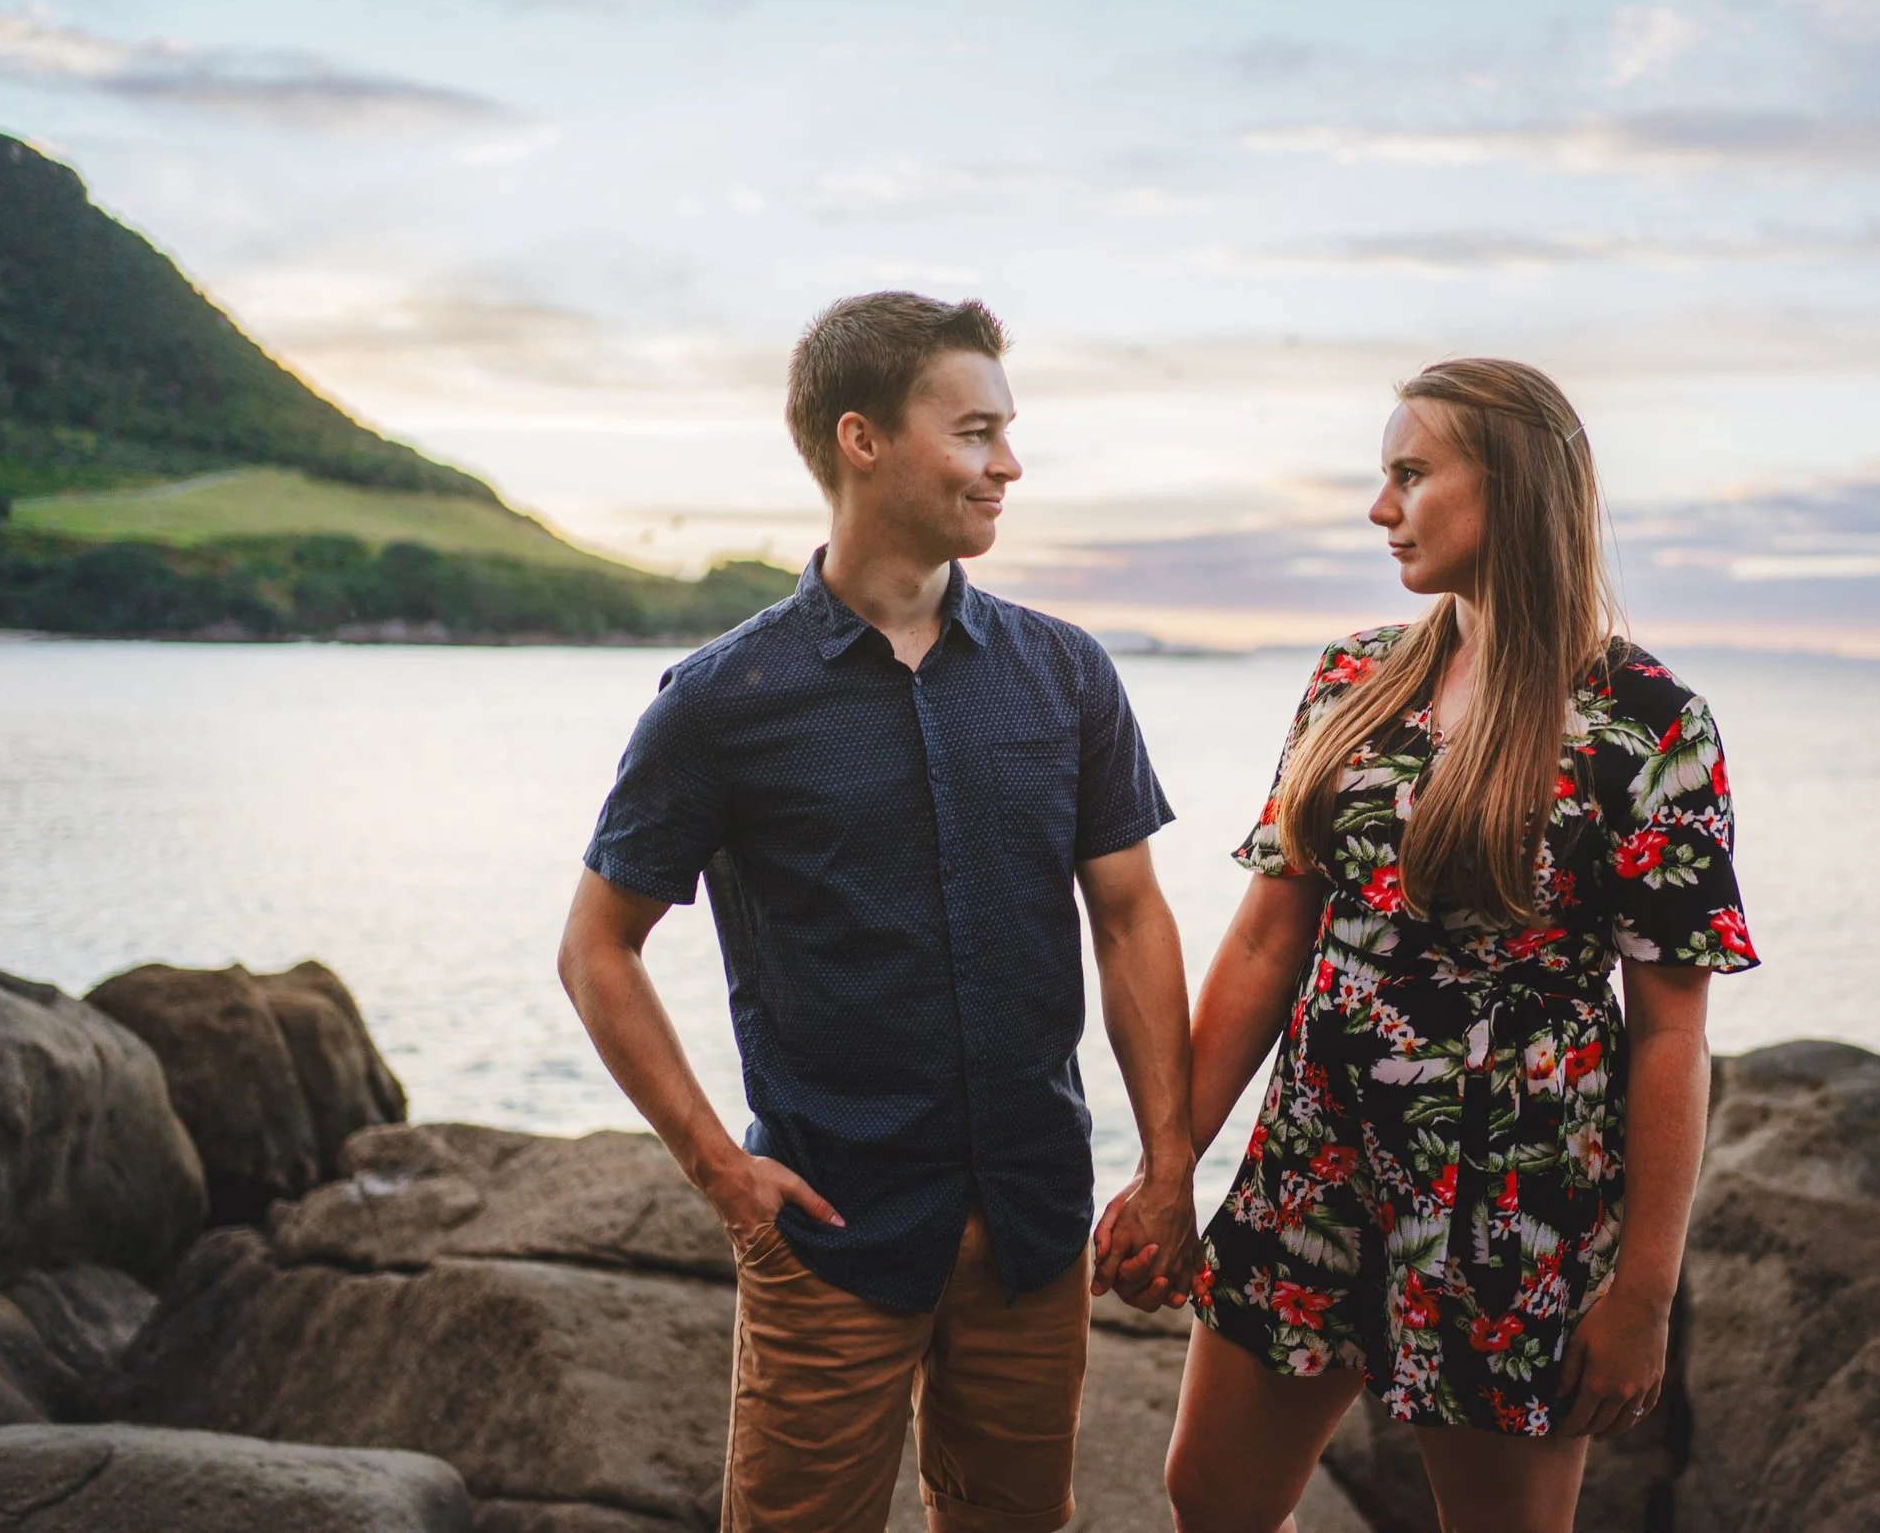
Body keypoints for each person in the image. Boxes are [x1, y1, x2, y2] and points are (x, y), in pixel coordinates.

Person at [558, 292, 1201, 1533]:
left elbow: (1131, 919)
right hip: (830, 1231)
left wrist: (1170, 1165)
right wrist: (720, 1171)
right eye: (972, 431)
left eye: (1006, 433)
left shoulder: (1065, 672)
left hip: (1031, 1217)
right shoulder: (720, 701)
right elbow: (598, 946)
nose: (1007, 462)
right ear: (862, 440)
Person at [1104, 358, 1759, 1533]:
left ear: (1507, 488)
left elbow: (1670, 1026)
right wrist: (1169, 1169)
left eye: (1410, 473)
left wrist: (1644, 1294)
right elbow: (1265, 942)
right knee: (1209, 1493)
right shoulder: (1355, 677)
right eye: (1382, 475)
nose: (1379, 506)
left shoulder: (1649, 723)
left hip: (1513, 1193)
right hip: (1313, 1155)